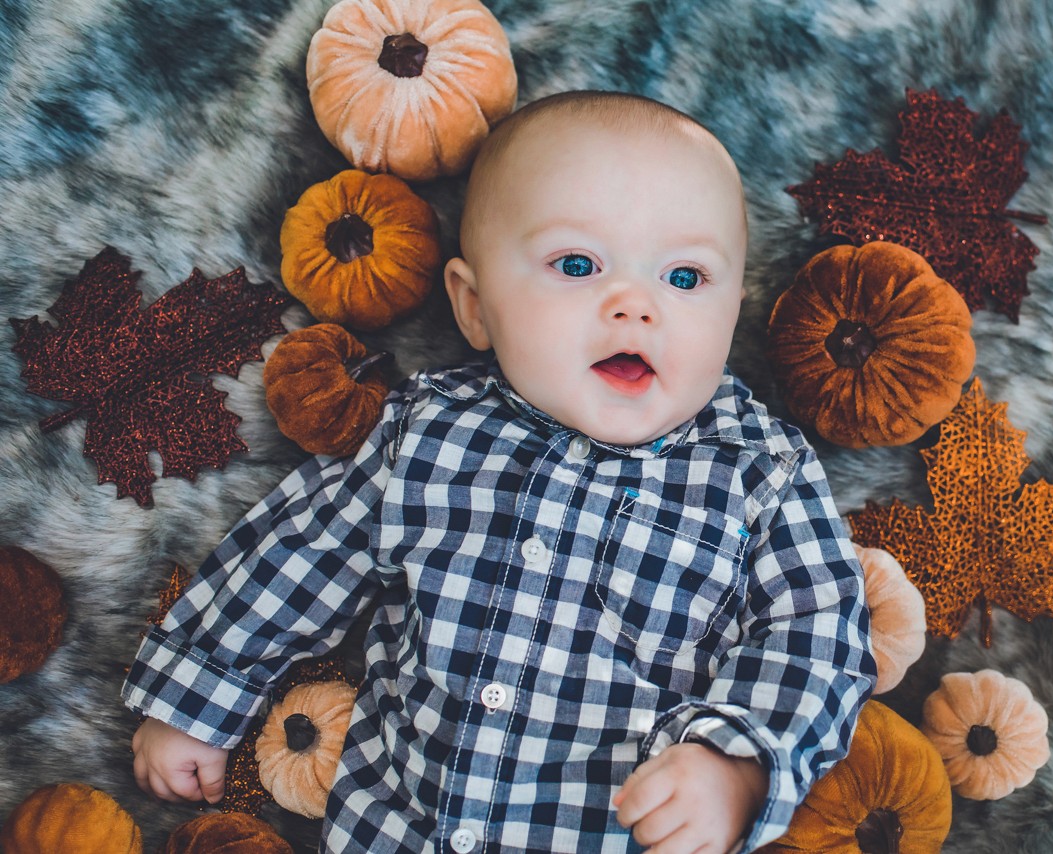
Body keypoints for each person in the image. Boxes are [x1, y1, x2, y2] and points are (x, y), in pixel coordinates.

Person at [124, 90, 876, 854]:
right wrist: (197, 697)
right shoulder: (427, 433)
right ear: (475, 306)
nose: (635, 306)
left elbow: (819, 638)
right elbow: (300, 554)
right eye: (578, 265)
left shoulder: (761, 472)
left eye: (685, 278)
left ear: (732, 313)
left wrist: (736, 765)